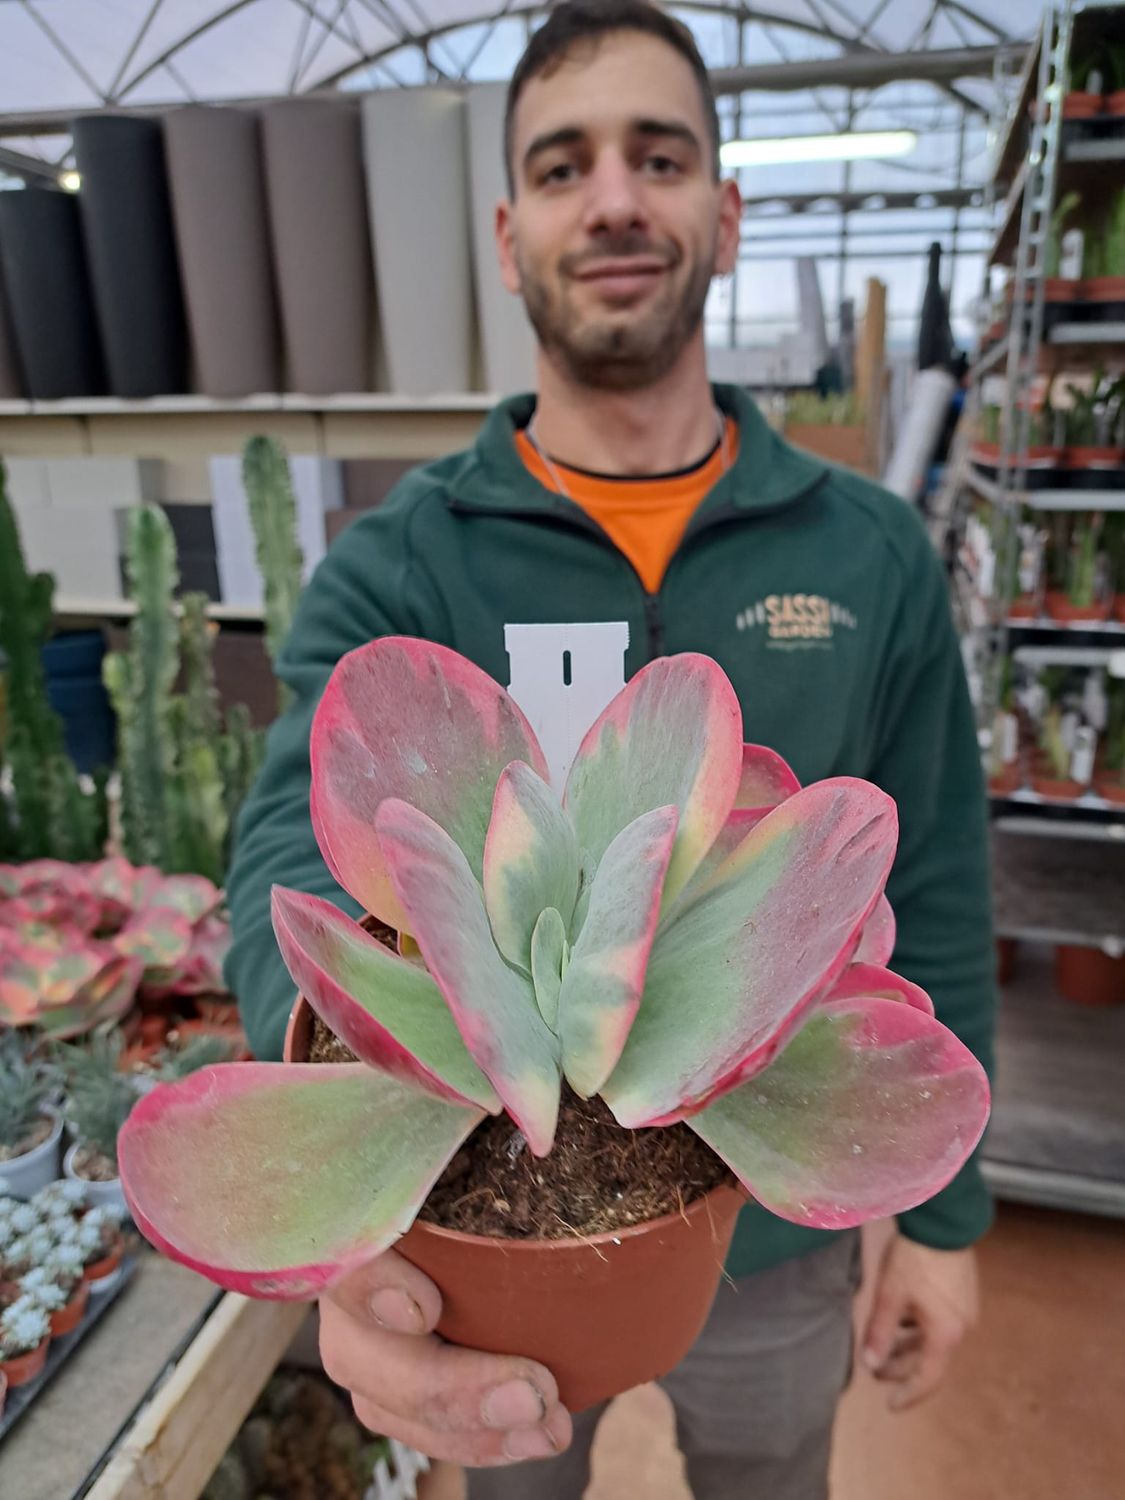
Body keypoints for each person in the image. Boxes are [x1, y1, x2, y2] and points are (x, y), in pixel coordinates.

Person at [224, 3, 995, 1495]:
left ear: (725, 207)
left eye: (659, 156)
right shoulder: (403, 564)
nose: (619, 199)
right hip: (492, 1236)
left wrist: (946, 1229)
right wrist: (342, 1104)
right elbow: (277, 859)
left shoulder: (869, 552)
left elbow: (943, 879)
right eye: (566, 168)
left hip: (775, 1225)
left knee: (772, 1468)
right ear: (510, 234)